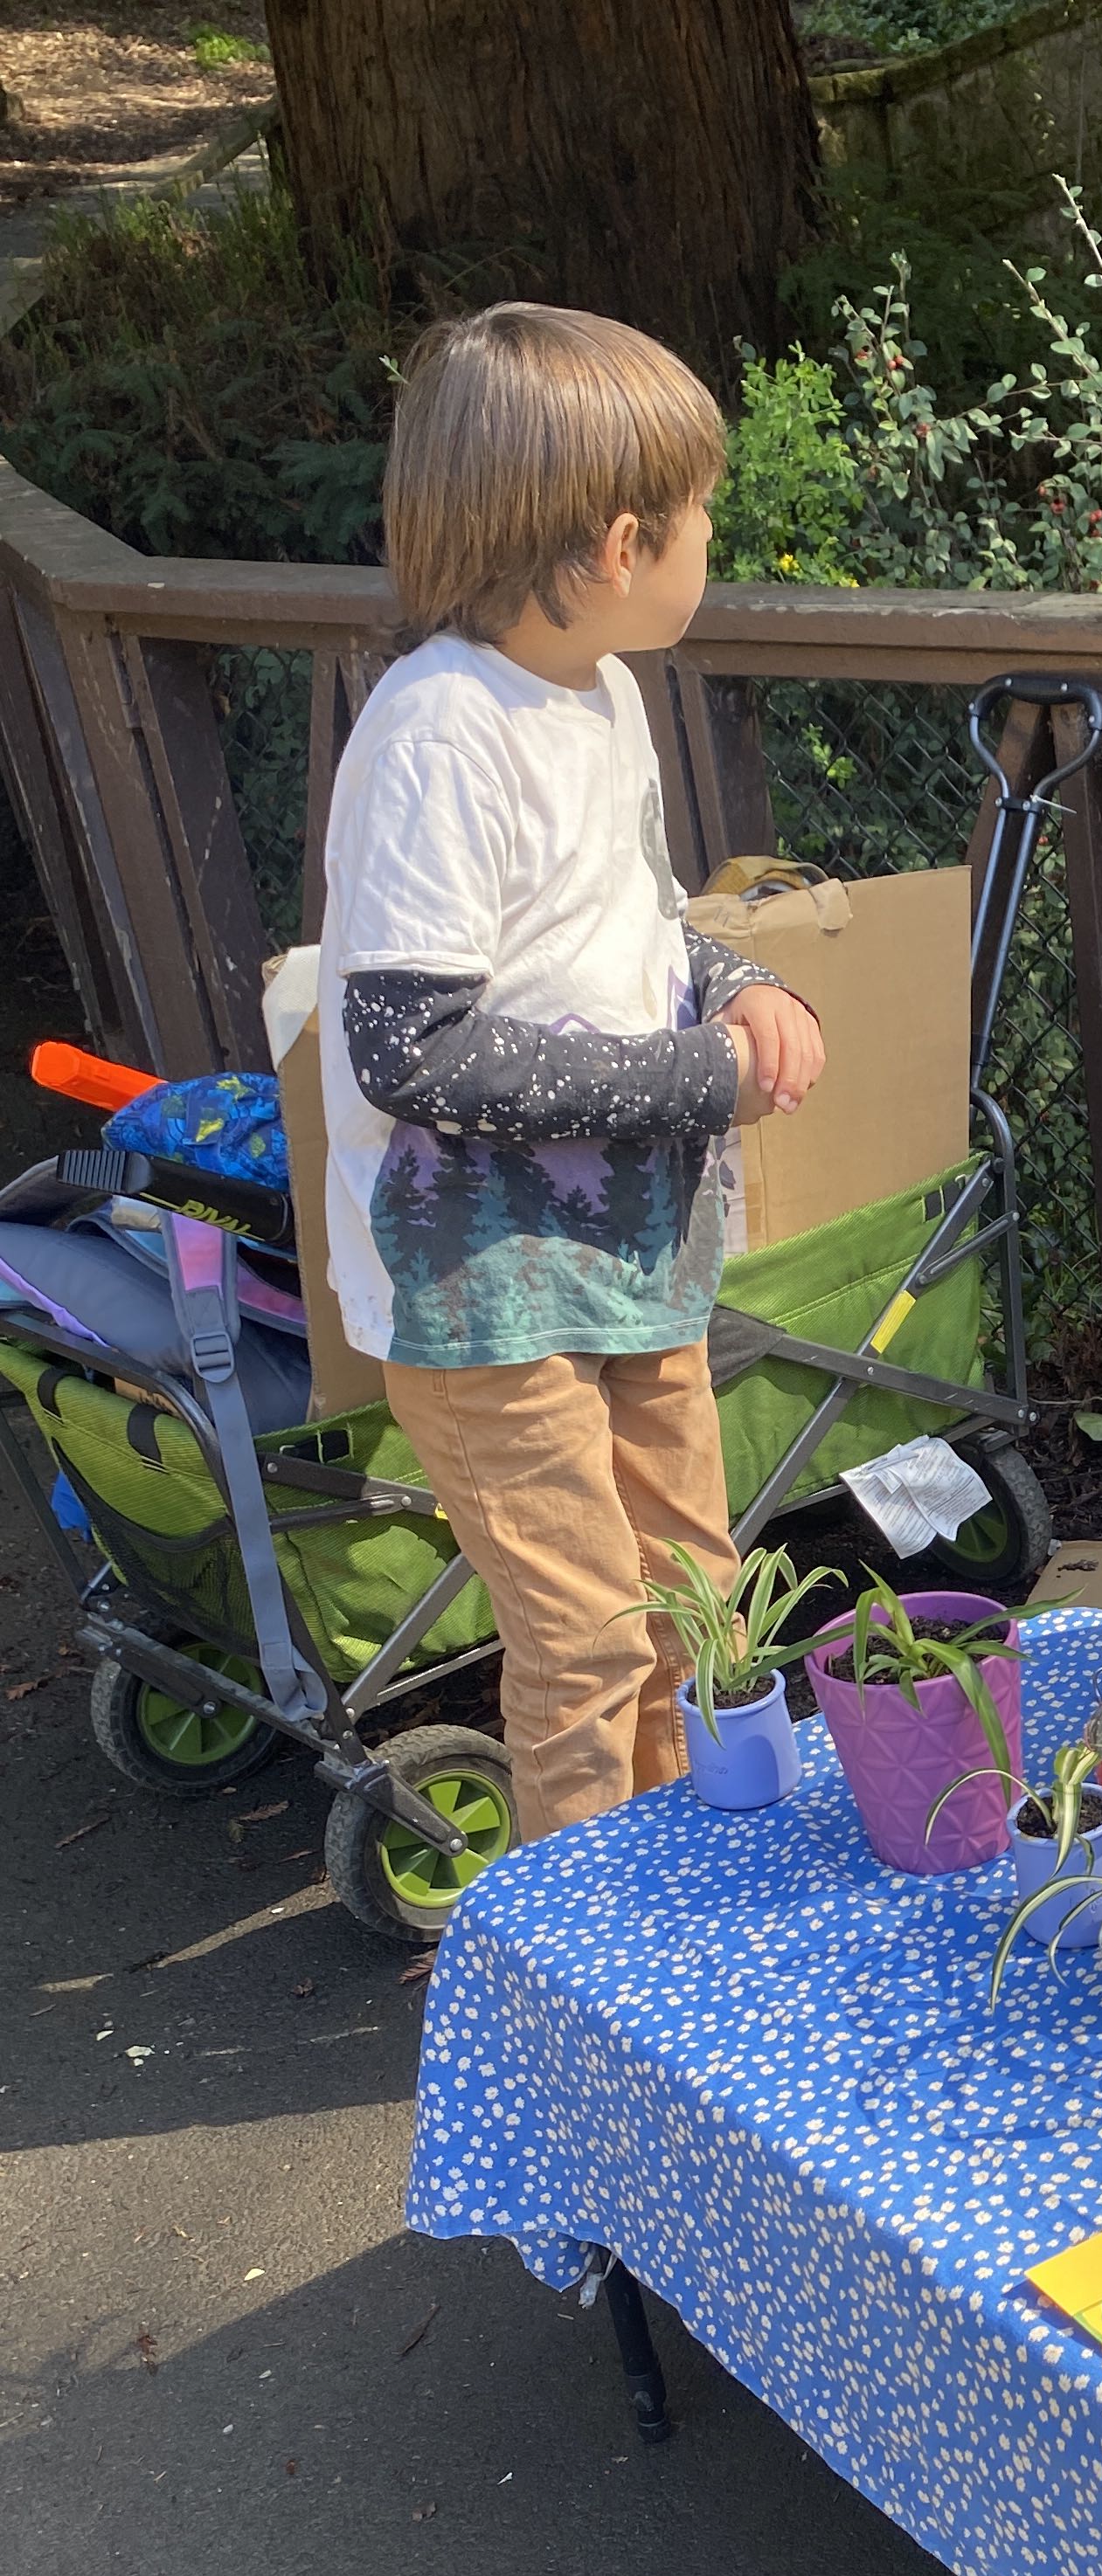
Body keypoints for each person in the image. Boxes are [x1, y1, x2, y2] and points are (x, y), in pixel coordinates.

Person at [316, 301, 826, 1842]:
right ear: (617, 544)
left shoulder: (599, 693)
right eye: (700, 510)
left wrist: (738, 986)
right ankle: (580, 1945)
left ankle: (679, 1894)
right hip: (484, 1293)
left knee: (693, 1600)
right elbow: (407, 1046)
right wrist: (695, 1081)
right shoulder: (436, 735)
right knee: (590, 1641)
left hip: (627, 1258)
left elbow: (633, 922)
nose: (711, 534)